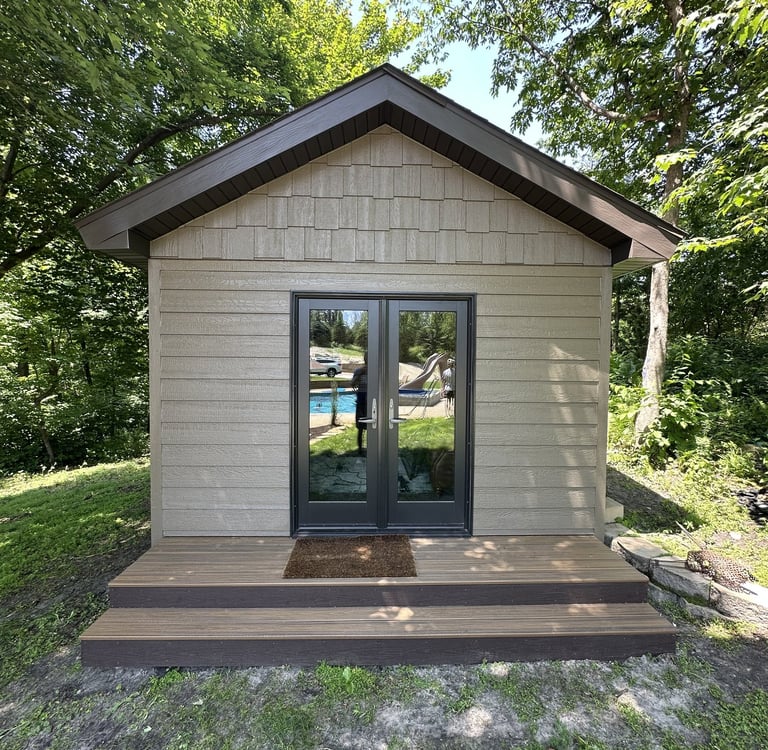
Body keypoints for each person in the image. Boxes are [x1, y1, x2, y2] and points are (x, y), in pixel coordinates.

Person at [351, 353, 368, 455]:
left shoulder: (377, 371)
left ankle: (372, 448)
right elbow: (352, 384)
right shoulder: (359, 371)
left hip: (372, 400)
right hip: (361, 399)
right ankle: (360, 450)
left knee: (372, 426)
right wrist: (359, 374)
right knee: (360, 427)